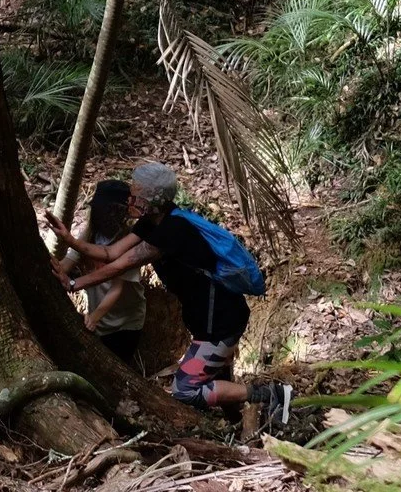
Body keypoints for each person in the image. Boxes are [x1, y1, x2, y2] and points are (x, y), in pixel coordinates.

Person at [46, 162, 292, 429]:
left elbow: (118, 266)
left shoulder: (172, 231)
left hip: (220, 321)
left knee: (186, 389)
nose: (130, 201)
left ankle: (270, 394)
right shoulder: (151, 222)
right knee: (214, 375)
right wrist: (69, 239)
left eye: (136, 196)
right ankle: (236, 420)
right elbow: (110, 253)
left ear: (153, 201)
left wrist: (73, 283)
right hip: (208, 318)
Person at [53, 179, 146, 362]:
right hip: (100, 320)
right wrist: (56, 268)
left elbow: (117, 289)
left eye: (112, 210)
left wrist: (94, 318)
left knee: (119, 364)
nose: (107, 215)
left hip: (125, 323)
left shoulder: (129, 242)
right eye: (103, 209)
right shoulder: (90, 234)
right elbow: (69, 261)